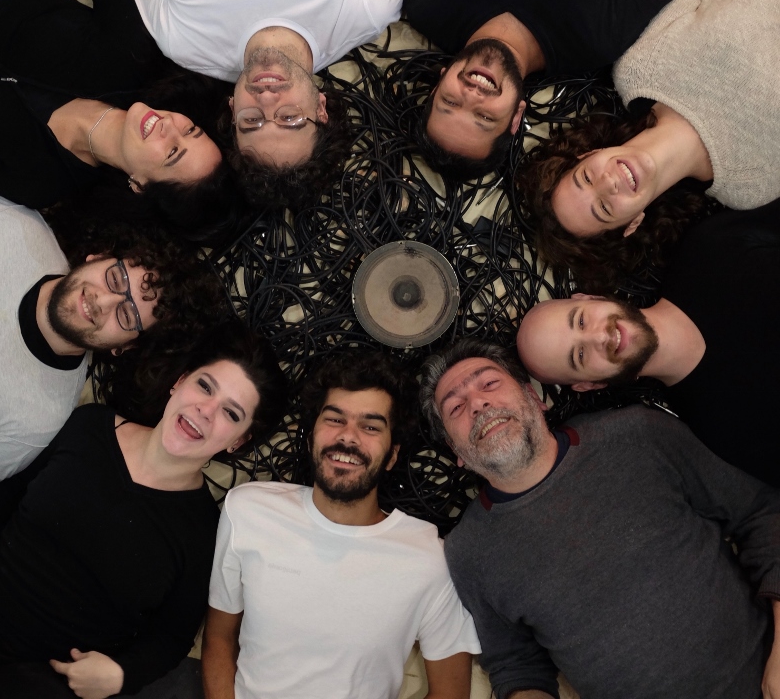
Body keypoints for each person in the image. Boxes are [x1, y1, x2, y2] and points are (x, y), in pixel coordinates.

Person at [419, 338, 780, 699]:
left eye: (489, 383)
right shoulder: (468, 551)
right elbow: (516, 664)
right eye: (456, 407)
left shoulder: (638, 434)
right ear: (456, 451)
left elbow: (761, 512)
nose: (478, 404)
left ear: (533, 397)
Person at [0, 321, 287, 699]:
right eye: (205, 386)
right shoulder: (90, 426)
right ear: (180, 382)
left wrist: (121, 674)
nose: (206, 410)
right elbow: (5, 500)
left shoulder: (203, 533)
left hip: (46, 680)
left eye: (231, 413)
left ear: (238, 441)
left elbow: (172, 637)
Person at [520, 0, 780, 283]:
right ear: (632, 224)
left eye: (586, 178)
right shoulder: (750, 188)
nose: (608, 184)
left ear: (588, 154)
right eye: (604, 209)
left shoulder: (638, 68)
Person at [202, 351, 480, 699]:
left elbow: (450, 694)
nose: (348, 437)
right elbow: (219, 638)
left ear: (392, 455)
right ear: (310, 438)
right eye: (335, 419)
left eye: (370, 426)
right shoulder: (247, 509)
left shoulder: (431, 560)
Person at [0, 0, 239, 234]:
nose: (170, 126)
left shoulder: (40, 183)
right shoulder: (133, 59)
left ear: (140, 185)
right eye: (191, 130)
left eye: (173, 152)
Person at [121, 0, 409, 197]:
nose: (267, 98)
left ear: (233, 110)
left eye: (252, 121)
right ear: (321, 109)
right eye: (289, 118)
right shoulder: (370, 8)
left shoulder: (180, 40)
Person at [403, 0, 713, 175]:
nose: (471, 95)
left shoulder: (427, 5)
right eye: (484, 117)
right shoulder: (596, 39)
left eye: (450, 102)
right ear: (516, 117)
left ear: (438, 86)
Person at [516, 198, 780, 487]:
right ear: (590, 384)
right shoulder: (722, 430)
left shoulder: (712, 251)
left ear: (590, 297)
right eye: (579, 355)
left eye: (580, 321)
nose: (600, 337)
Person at [0, 190, 225, 483]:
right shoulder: (14, 226)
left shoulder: (36, 422)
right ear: (98, 256)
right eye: (116, 279)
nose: (103, 301)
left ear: (125, 346)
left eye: (126, 316)